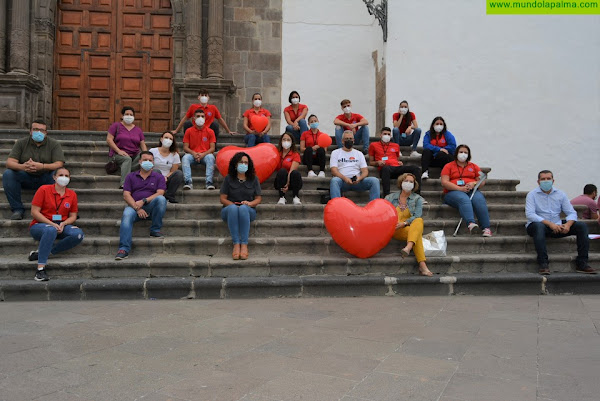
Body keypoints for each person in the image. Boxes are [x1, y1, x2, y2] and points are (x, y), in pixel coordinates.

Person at [526, 170, 596, 275]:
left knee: (582, 226)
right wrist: (550, 224)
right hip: (538, 226)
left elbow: (571, 212)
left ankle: (582, 263)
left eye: (548, 179)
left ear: (553, 180)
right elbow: (530, 214)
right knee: (539, 227)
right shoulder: (532, 195)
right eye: (543, 179)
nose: (546, 181)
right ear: (538, 181)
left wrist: (568, 224)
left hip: (557, 225)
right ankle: (543, 263)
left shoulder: (560, 194)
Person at [28, 168, 84, 281]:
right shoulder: (43, 189)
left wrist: (64, 223)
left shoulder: (72, 194)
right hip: (40, 226)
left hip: (61, 226)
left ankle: (45, 252)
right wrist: (51, 224)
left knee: (78, 234)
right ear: (54, 177)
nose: (64, 177)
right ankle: (40, 270)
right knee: (50, 230)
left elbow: (73, 216)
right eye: (61, 175)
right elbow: (34, 212)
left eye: (67, 176)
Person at [3, 120, 65, 220]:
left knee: (58, 174)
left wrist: (43, 166)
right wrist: (23, 167)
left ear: (46, 133)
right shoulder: (21, 143)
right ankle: (17, 210)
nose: (39, 132)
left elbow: (59, 163)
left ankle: (51, 210)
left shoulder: (54, 144)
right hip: (26, 177)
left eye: (42, 130)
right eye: (36, 129)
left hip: (45, 178)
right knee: (8, 174)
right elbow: (9, 162)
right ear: (30, 131)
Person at [115, 151, 167, 260]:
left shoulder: (158, 177)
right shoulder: (131, 176)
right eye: (145, 160)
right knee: (127, 215)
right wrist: (137, 208)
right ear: (139, 161)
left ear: (153, 162)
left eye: (150, 160)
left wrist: (144, 201)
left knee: (161, 199)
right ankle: (124, 248)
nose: (147, 162)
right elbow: (126, 195)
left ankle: (155, 229)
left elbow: (160, 192)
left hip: (150, 205)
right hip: (134, 207)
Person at [385, 173, 432, 276]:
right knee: (417, 235)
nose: (408, 183)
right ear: (401, 182)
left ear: (414, 185)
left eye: (411, 182)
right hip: (393, 228)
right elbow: (383, 212)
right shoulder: (390, 197)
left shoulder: (417, 199)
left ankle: (410, 249)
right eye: (406, 181)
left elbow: (417, 215)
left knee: (419, 220)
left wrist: (405, 223)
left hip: (408, 228)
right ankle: (422, 265)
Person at [441, 144, 492, 237]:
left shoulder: (474, 166)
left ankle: (486, 228)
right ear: (456, 153)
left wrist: (474, 184)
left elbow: (482, 180)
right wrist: (460, 188)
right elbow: (444, 182)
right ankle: (471, 224)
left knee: (479, 200)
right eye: (461, 152)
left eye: (465, 152)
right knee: (463, 199)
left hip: (471, 191)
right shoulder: (448, 166)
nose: (463, 154)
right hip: (453, 192)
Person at [220, 152, 262, 260]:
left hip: (248, 210)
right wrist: (233, 205)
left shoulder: (254, 179)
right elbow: (222, 198)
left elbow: (258, 198)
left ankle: (244, 244)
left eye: (246, 162)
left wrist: (250, 204)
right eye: (241, 162)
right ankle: (236, 244)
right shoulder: (228, 178)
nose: (243, 164)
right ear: (235, 164)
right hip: (229, 210)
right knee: (234, 209)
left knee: (243, 208)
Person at [369, 127, 421, 198]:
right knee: (386, 169)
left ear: (391, 136)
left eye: (388, 134)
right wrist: (377, 162)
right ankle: (386, 196)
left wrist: (399, 162)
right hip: (385, 169)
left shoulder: (396, 146)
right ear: (380, 135)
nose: (386, 136)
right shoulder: (373, 145)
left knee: (416, 168)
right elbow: (371, 162)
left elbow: (397, 159)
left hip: (397, 168)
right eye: (385, 134)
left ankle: (417, 195)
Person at [330, 130, 380, 201]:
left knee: (374, 181)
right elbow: (334, 171)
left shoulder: (359, 154)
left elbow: (365, 171)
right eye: (346, 139)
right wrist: (345, 178)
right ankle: (336, 205)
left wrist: (359, 178)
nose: (349, 140)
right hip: (343, 181)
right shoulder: (335, 153)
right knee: (334, 180)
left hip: (357, 182)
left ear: (354, 140)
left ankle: (375, 206)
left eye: (350, 139)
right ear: (342, 141)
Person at [106, 106, 147, 188]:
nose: (129, 116)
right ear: (122, 116)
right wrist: (118, 151)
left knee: (143, 157)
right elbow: (109, 139)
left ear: (134, 117)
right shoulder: (116, 126)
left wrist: (146, 155)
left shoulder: (138, 130)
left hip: (134, 155)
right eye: (127, 114)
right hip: (118, 154)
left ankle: (125, 170)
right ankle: (124, 184)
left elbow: (142, 144)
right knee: (127, 159)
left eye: (131, 115)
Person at [182, 108, 216, 190]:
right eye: (198, 116)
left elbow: (212, 148)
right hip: (192, 155)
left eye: (202, 116)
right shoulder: (189, 131)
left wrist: (203, 154)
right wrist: (194, 153)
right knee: (185, 158)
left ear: (205, 118)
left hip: (205, 155)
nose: (200, 118)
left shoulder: (210, 131)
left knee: (211, 157)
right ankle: (188, 182)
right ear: (194, 118)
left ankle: (209, 182)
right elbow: (185, 147)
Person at [149, 132, 183, 203]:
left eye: (170, 139)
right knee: (155, 171)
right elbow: (149, 167)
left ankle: (169, 196)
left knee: (179, 173)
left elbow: (173, 170)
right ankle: (155, 194)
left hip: (167, 179)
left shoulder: (175, 154)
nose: (168, 140)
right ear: (161, 139)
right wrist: (160, 177)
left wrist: (166, 177)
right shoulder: (153, 151)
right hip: (155, 177)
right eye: (166, 138)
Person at [275, 133, 302, 205]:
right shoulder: (277, 153)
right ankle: (282, 197)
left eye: (288, 140)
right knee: (282, 171)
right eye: (284, 139)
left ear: (292, 142)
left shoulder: (295, 154)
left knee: (295, 173)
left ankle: (296, 197)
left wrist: (288, 183)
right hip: (280, 180)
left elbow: (292, 170)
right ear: (281, 141)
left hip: (292, 180)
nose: (286, 141)